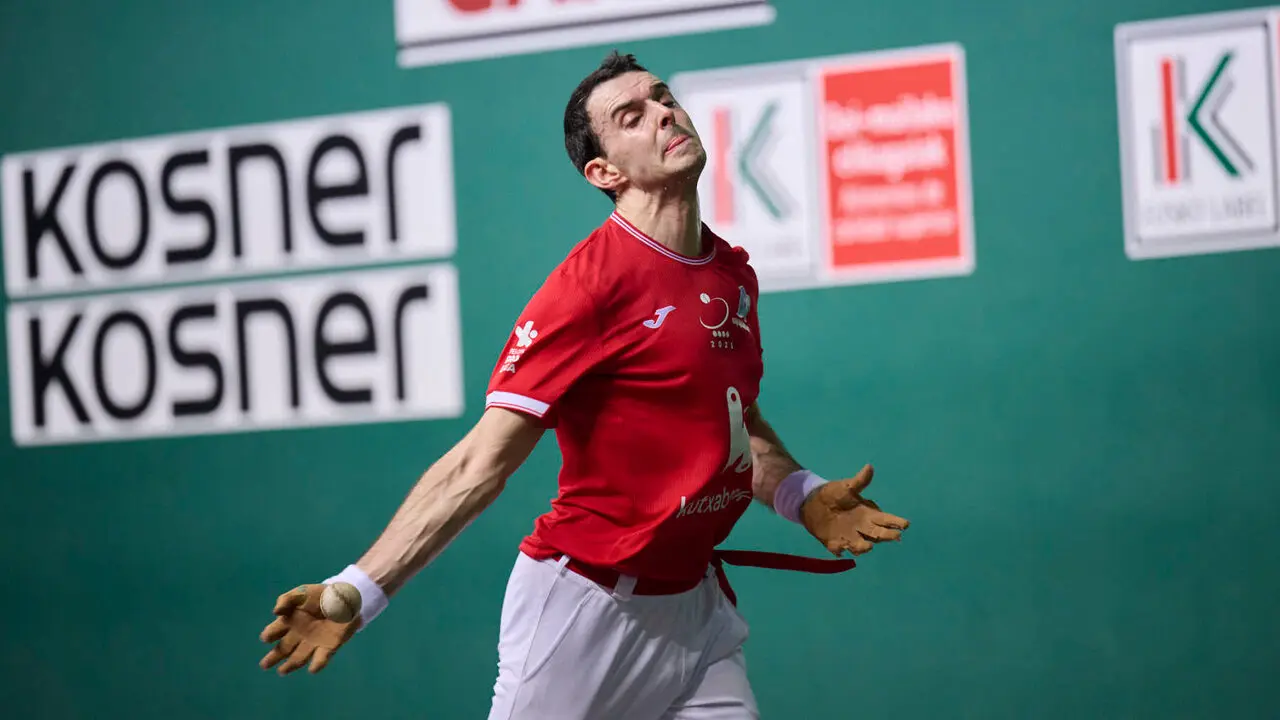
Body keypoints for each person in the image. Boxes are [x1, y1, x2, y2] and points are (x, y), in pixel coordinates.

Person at [258, 50, 911, 719]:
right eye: (633, 115)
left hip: (697, 614)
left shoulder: (730, 274)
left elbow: (732, 426)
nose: (663, 112)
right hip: (587, 612)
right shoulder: (590, 286)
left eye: (663, 98)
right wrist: (359, 591)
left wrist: (801, 495)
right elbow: (476, 467)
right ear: (604, 172)